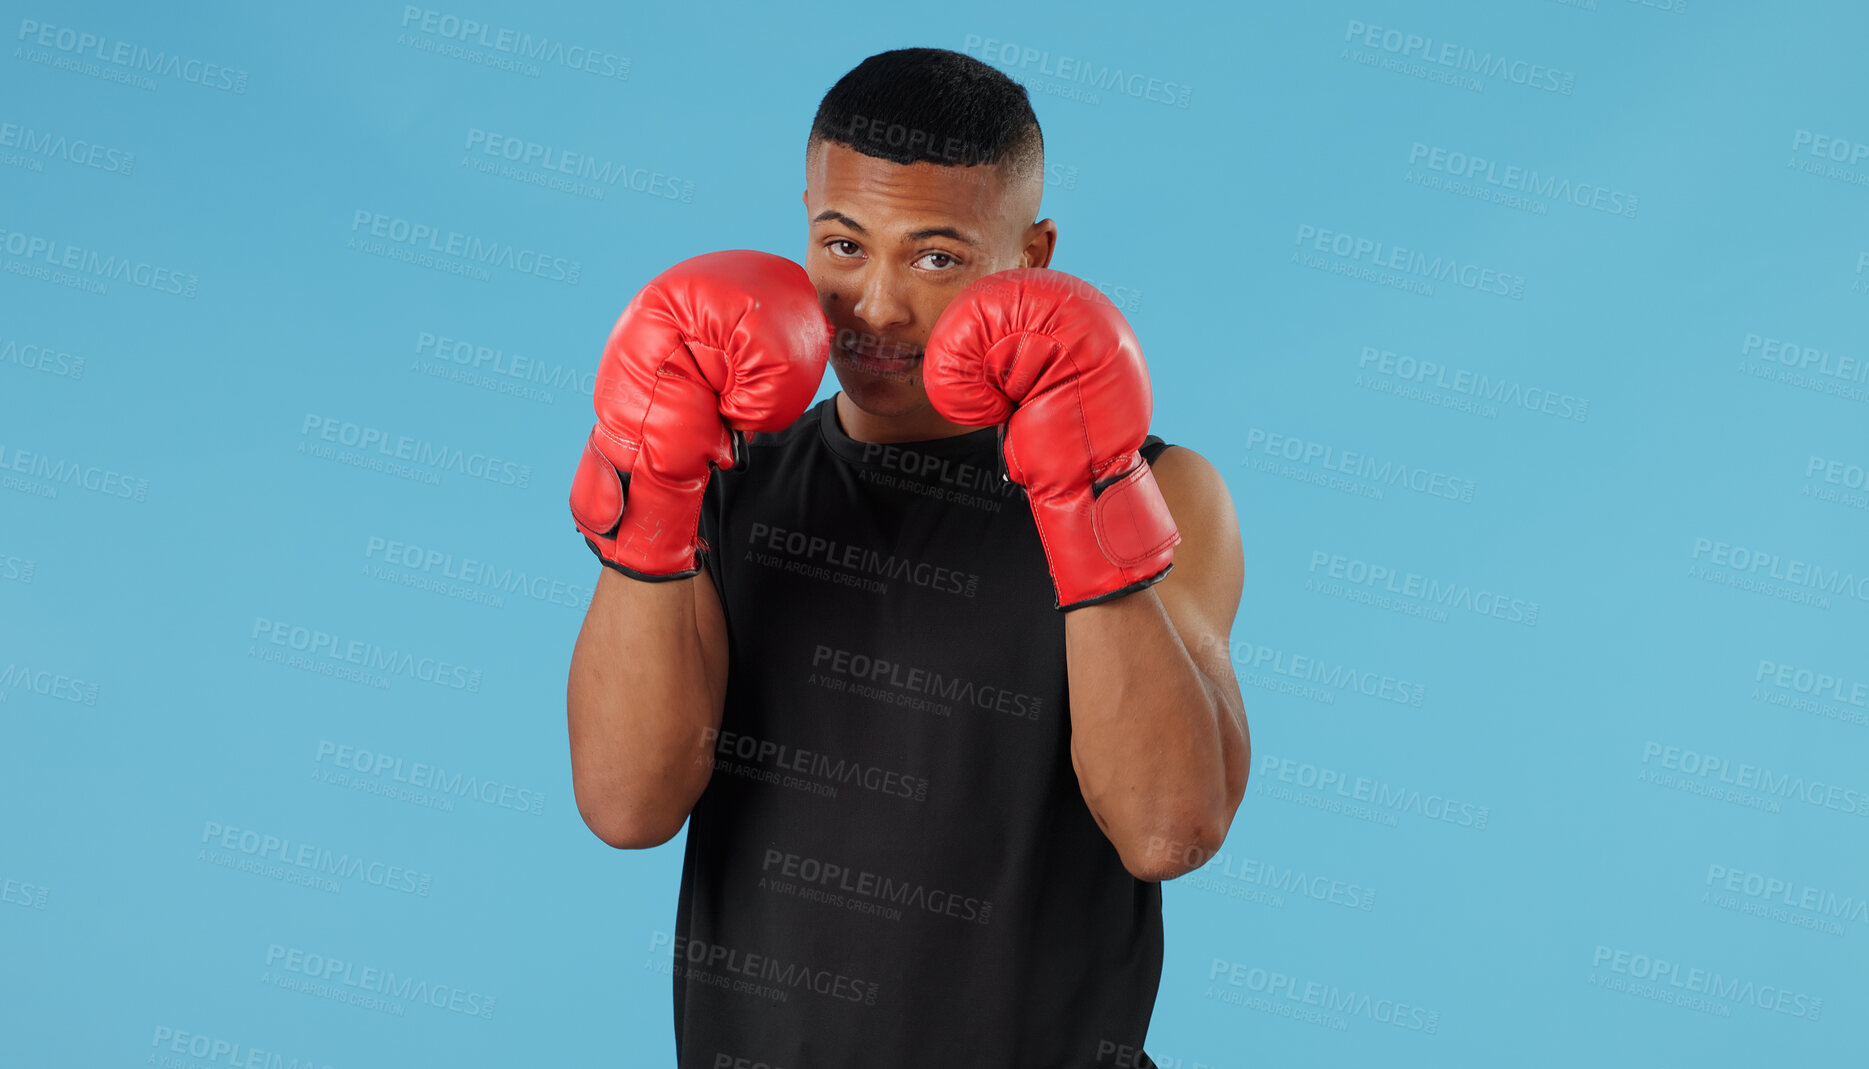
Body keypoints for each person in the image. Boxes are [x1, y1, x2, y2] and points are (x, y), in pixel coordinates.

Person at [567, 47, 1248, 1069]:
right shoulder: (719, 477)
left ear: (1033, 254)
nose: (876, 307)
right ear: (804, 220)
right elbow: (627, 806)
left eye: (937, 257)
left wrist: (1082, 498)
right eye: (843, 245)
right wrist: (646, 495)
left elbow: (1167, 831)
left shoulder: (1163, 490)